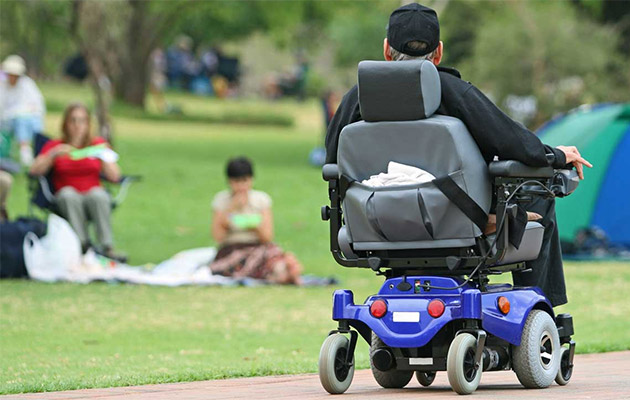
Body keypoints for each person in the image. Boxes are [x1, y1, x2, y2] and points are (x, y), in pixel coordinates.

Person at [325, 3, 593, 307]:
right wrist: (556, 156)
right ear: (438, 53)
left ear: (387, 50)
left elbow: (332, 159)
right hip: (456, 221)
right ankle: (544, 309)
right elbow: (512, 144)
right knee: (537, 193)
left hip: (376, 224)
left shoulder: (356, 99)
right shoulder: (453, 91)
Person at [29, 103, 124, 259]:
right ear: (65, 123)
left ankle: (107, 248)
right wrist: (53, 155)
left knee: (98, 195)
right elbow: (34, 171)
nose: (77, 125)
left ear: (88, 124)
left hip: (92, 195)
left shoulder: (97, 144)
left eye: (81, 121)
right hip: (65, 197)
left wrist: (103, 156)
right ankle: (83, 245)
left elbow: (115, 176)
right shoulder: (55, 146)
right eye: (73, 120)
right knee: (68, 195)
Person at [210, 157, 302, 284]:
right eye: (237, 181)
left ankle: (284, 270)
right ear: (229, 182)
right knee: (240, 261)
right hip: (233, 250)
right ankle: (280, 274)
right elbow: (218, 236)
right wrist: (232, 208)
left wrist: (254, 226)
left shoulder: (260, 200)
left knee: (270, 252)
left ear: (251, 179)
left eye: (245, 180)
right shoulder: (221, 201)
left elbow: (267, 237)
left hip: (258, 247)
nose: (241, 186)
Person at [0, 55, 45, 166]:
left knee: (23, 121)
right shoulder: (3, 86)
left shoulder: (27, 85)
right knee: (19, 121)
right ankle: (21, 151)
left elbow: (37, 106)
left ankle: (27, 151)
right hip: (7, 121)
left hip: (29, 119)